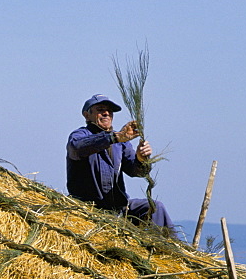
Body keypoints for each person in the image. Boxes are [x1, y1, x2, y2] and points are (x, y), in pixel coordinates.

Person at [66, 94, 174, 231]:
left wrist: (141, 159)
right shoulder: (80, 136)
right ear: (87, 115)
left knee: (156, 208)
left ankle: (167, 249)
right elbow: (78, 148)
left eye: (109, 111)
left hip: (119, 209)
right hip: (88, 209)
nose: (106, 113)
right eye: (100, 109)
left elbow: (136, 171)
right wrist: (113, 137)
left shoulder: (120, 143)